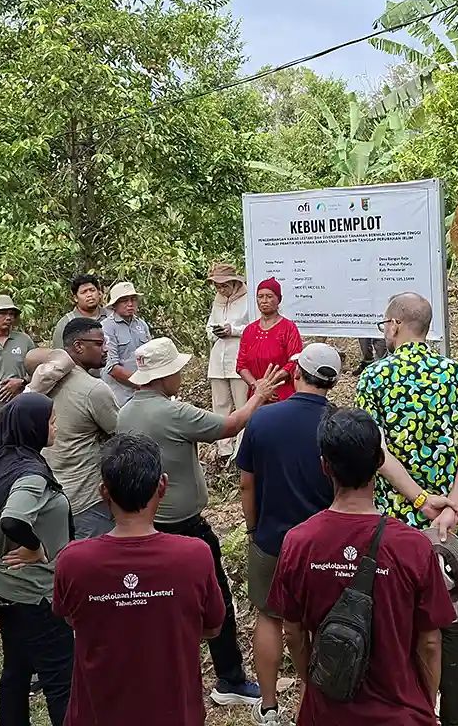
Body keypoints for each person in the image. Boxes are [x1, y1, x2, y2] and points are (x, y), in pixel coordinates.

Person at [116, 337, 288, 707]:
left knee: (156, 604)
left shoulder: (126, 412)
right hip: (184, 526)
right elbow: (232, 425)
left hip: (146, 525)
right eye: (176, 371)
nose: (180, 375)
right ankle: (230, 678)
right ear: (164, 376)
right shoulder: (173, 413)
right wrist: (259, 394)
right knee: (216, 599)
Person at [266, 408, 457, 726]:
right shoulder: (412, 547)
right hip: (400, 715)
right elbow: (429, 642)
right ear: (380, 461)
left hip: (325, 714)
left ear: (324, 465)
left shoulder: (298, 543)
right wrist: (426, 705)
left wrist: (313, 683)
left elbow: (294, 633)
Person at [354, 292, 458, 726]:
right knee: (450, 618)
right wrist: (453, 507)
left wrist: (418, 499)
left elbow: (376, 452)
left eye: (384, 324)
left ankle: (405, 711)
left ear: (395, 325)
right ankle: (452, 715)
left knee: (398, 620)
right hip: (449, 529)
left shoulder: (374, 378)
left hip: (394, 528)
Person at [53, 434, 226, 726]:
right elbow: (212, 627)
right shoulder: (194, 556)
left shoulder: (73, 561)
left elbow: (71, 619)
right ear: (163, 486)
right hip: (175, 715)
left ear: (103, 492)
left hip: (96, 715)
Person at [0, 393, 74, 726]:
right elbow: (13, 522)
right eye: (51, 421)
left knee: (17, 666)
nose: (56, 427)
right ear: (32, 428)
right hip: (32, 593)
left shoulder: (1, 461)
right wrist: (36, 548)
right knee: (61, 680)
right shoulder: (31, 476)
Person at [236, 343, 339, 725]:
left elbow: (247, 483)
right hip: (324, 544)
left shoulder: (263, 419)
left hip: (271, 539)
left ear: (296, 373)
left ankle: (268, 707)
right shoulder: (338, 423)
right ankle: (315, 699)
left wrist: (253, 528)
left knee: (269, 616)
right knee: (321, 621)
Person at [46, 316, 121, 539]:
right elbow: (121, 434)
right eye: (99, 344)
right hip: (87, 498)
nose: (105, 349)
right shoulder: (93, 390)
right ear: (78, 346)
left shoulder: (45, 380)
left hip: (53, 494)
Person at [206, 262, 253, 458]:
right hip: (218, 359)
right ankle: (224, 449)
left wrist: (233, 330)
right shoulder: (217, 301)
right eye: (217, 286)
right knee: (220, 405)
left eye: (224, 285)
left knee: (242, 405)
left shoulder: (248, 299)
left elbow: (254, 327)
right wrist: (215, 331)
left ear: (234, 282)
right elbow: (209, 327)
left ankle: (242, 450)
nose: (220, 289)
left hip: (239, 359)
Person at [236, 278, 304, 403]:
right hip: (255, 394)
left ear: (279, 299)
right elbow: (241, 365)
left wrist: (268, 384)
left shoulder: (289, 328)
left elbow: (294, 362)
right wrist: (257, 386)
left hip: (281, 395)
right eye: (260, 296)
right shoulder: (249, 330)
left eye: (269, 296)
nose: (264, 301)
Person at [101, 281, 153, 405]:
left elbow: (151, 356)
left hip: (144, 393)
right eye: (124, 301)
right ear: (114, 305)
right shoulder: (107, 327)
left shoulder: (141, 324)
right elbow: (112, 368)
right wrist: (141, 383)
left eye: (133, 299)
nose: (130, 304)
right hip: (121, 396)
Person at [52, 274, 107, 350]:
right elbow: (59, 353)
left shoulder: (111, 316)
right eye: (84, 292)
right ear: (75, 298)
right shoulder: (66, 323)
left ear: (99, 293)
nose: (89, 295)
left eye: (92, 290)